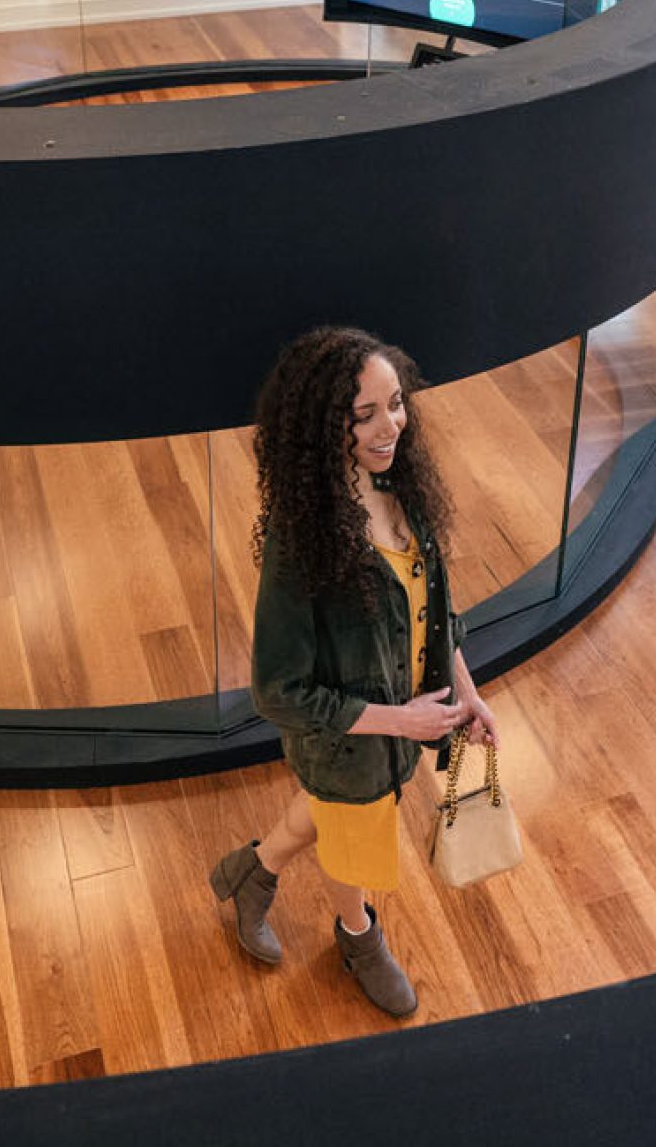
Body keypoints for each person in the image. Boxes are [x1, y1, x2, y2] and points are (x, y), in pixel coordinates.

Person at [209, 325, 498, 1018]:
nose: (388, 426)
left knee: (339, 814)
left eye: (394, 404)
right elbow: (278, 689)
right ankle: (358, 938)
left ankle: (251, 872)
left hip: (400, 727)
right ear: (321, 427)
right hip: (348, 739)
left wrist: (468, 692)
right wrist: (403, 719)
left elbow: (438, 606)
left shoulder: (403, 489)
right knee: (355, 843)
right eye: (362, 415)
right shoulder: (302, 536)